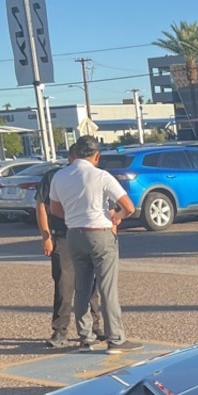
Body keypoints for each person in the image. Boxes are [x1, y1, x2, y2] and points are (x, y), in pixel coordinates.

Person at [49, 135, 142, 352]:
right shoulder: (101, 176)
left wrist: (74, 216)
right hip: (99, 232)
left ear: (74, 154)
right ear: (96, 156)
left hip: (73, 234)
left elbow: (55, 209)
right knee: (107, 287)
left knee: (82, 287)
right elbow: (128, 206)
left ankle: (85, 337)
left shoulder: (59, 176)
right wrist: (115, 217)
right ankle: (116, 338)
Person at [35, 144, 104, 348]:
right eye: (75, 157)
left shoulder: (95, 175)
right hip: (63, 236)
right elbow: (41, 205)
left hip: (88, 233)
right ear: (69, 158)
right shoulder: (54, 176)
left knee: (92, 284)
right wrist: (45, 236)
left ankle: (94, 327)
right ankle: (60, 331)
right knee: (64, 285)